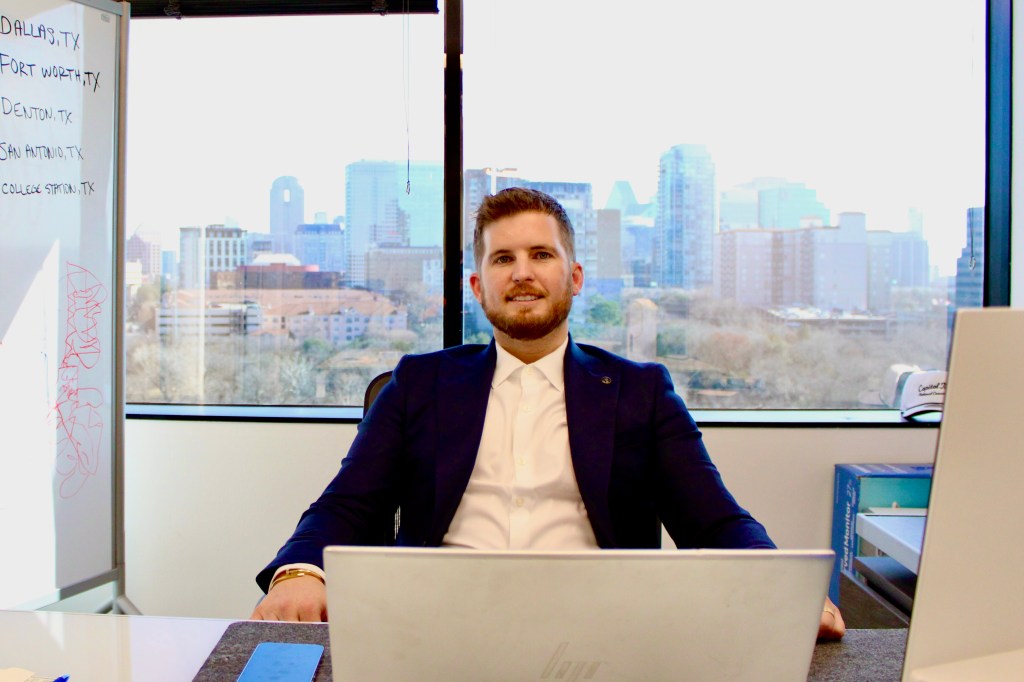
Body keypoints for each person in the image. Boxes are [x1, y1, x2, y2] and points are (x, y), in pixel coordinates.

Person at [251, 187, 845, 639]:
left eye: (541, 254)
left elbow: (714, 522)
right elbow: (348, 505)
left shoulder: (640, 391)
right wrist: (299, 572)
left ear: (575, 276)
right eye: (503, 259)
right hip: (436, 626)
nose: (523, 273)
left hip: (601, 633)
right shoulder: (419, 384)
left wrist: (782, 588)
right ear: (478, 286)